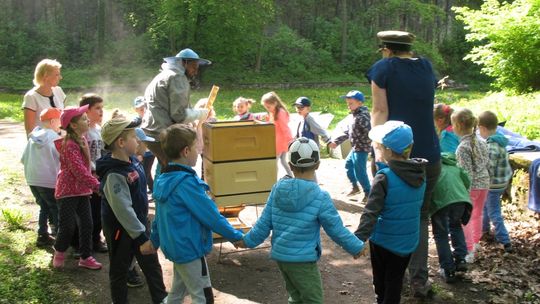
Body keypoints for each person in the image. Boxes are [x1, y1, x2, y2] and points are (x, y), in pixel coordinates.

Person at [238, 137, 365, 304]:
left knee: (297, 297)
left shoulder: (277, 190)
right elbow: (336, 229)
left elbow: (263, 223)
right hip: (303, 260)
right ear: (318, 164)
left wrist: (247, 241)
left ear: (290, 165)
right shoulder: (320, 196)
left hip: (282, 258)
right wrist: (355, 246)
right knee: (313, 300)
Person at [366, 30, 441, 298]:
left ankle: (388, 269)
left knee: (385, 210)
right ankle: (419, 280)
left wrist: (377, 149)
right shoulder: (426, 66)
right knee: (419, 215)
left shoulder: (383, 69)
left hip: (395, 156)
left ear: (386, 48)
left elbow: (379, 111)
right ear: (408, 48)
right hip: (429, 155)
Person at [142, 124, 244, 304]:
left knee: (176, 293)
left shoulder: (163, 178)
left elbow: (159, 216)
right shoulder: (187, 184)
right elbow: (211, 216)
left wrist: (154, 241)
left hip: (176, 247)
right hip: (190, 249)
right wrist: (236, 236)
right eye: (197, 147)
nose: (200, 151)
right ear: (186, 151)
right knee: (202, 296)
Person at [96, 117, 167, 304]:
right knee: (120, 270)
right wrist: (141, 237)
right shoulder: (114, 174)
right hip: (121, 231)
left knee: (152, 266)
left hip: (140, 225)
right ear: (121, 142)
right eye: (134, 137)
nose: (138, 140)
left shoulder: (132, 160)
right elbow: (123, 210)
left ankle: (161, 300)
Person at [354, 120, 426, 304]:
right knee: (395, 282)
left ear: (387, 150)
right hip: (408, 241)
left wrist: (358, 240)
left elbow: (371, 212)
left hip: (384, 242)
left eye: (378, 147)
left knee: (381, 285)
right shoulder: (420, 174)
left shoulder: (384, 177)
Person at [52, 105, 102, 270]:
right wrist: (97, 186)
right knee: (67, 226)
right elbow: (79, 171)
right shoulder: (70, 145)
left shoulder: (83, 139)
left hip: (82, 190)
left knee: (88, 223)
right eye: (83, 118)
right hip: (68, 192)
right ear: (73, 125)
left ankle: (85, 256)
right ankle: (59, 252)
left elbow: (86, 167)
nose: (87, 119)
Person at [141, 48, 211, 167]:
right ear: (184, 63)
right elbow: (179, 115)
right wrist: (201, 113)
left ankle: (160, 186)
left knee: (164, 170)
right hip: (163, 134)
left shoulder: (162, 76)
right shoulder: (177, 77)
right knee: (176, 170)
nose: (195, 71)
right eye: (193, 67)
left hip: (151, 133)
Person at [451, 108, 490, 263]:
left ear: (459, 125)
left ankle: (468, 249)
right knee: (478, 214)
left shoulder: (462, 148)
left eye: (453, 124)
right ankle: (475, 241)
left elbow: (466, 173)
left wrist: (463, 192)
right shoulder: (482, 141)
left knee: (464, 218)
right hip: (484, 183)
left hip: (471, 187)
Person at [21, 108, 62, 247]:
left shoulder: (33, 137)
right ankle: (61, 238)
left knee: (43, 206)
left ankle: (42, 235)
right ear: (52, 121)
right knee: (55, 207)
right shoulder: (55, 138)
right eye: (59, 121)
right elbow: (62, 158)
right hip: (48, 180)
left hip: (32, 179)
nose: (60, 124)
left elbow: (23, 159)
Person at [430, 152, 472, 283]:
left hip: (441, 203)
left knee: (441, 235)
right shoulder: (455, 167)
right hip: (460, 201)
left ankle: (447, 269)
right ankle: (461, 258)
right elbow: (467, 182)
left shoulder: (432, 170)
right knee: (456, 226)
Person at [478, 111, 514, 253]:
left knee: (494, 212)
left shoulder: (491, 146)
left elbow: (489, 168)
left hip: (493, 184)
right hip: (501, 182)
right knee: (486, 206)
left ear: (482, 128)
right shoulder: (500, 141)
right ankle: (484, 229)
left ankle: (505, 241)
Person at [328, 91, 371, 200]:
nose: (348, 105)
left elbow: (370, 131)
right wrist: (336, 142)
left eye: (351, 103)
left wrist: (370, 145)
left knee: (360, 172)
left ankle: (368, 193)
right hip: (355, 147)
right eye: (347, 103)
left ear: (360, 103)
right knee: (348, 165)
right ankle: (355, 187)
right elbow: (348, 132)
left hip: (361, 149)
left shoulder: (363, 117)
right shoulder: (354, 115)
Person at [79, 93, 108, 253]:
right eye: (97, 108)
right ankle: (81, 243)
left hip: (99, 176)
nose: (101, 111)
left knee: (98, 210)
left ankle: (96, 239)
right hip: (86, 177)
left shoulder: (99, 130)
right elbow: (81, 155)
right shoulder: (83, 131)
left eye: (102, 108)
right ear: (86, 110)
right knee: (85, 211)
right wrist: (92, 171)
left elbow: (103, 152)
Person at [23, 59, 66, 135]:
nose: (60, 77)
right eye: (57, 74)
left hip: (61, 140)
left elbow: (65, 117)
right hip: (43, 142)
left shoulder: (59, 91)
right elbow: (29, 129)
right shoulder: (31, 97)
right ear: (46, 76)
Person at [260, 91, 294, 177]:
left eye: (268, 107)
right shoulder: (274, 111)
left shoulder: (280, 113)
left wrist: (290, 140)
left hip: (281, 141)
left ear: (275, 103)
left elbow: (284, 128)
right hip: (280, 140)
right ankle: (291, 176)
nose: (267, 109)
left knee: (275, 161)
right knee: (283, 161)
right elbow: (273, 124)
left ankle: (273, 178)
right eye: (265, 107)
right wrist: (267, 118)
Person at [133, 96, 155, 194]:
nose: (144, 110)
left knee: (146, 171)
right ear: (136, 110)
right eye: (141, 109)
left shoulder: (151, 119)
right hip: (140, 152)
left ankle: (149, 190)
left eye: (145, 108)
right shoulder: (135, 122)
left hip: (149, 151)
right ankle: (149, 189)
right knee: (144, 171)